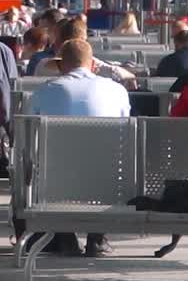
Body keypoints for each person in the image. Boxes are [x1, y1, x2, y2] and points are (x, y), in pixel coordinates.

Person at [29, 38, 130, 257]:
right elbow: (125, 133)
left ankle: (65, 237)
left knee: (49, 162)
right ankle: (97, 238)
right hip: (107, 179)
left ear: (61, 66)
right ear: (92, 65)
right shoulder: (117, 90)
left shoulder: (44, 91)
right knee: (106, 161)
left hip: (56, 181)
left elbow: (28, 137)